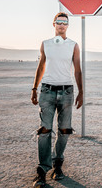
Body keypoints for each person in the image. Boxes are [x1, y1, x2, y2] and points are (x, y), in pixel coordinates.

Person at [31, 12, 83, 187]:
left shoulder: (73, 45)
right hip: (47, 90)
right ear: (54, 24)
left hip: (66, 91)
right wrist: (34, 88)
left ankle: (57, 164)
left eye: (65, 23)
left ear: (68, 26)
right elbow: (41, 65)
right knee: (44, 131)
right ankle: (42, 169)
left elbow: (77, 69)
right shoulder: (45, 44)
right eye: (59, 22)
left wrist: (81, 91)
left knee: (64, 130)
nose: (62, 25)